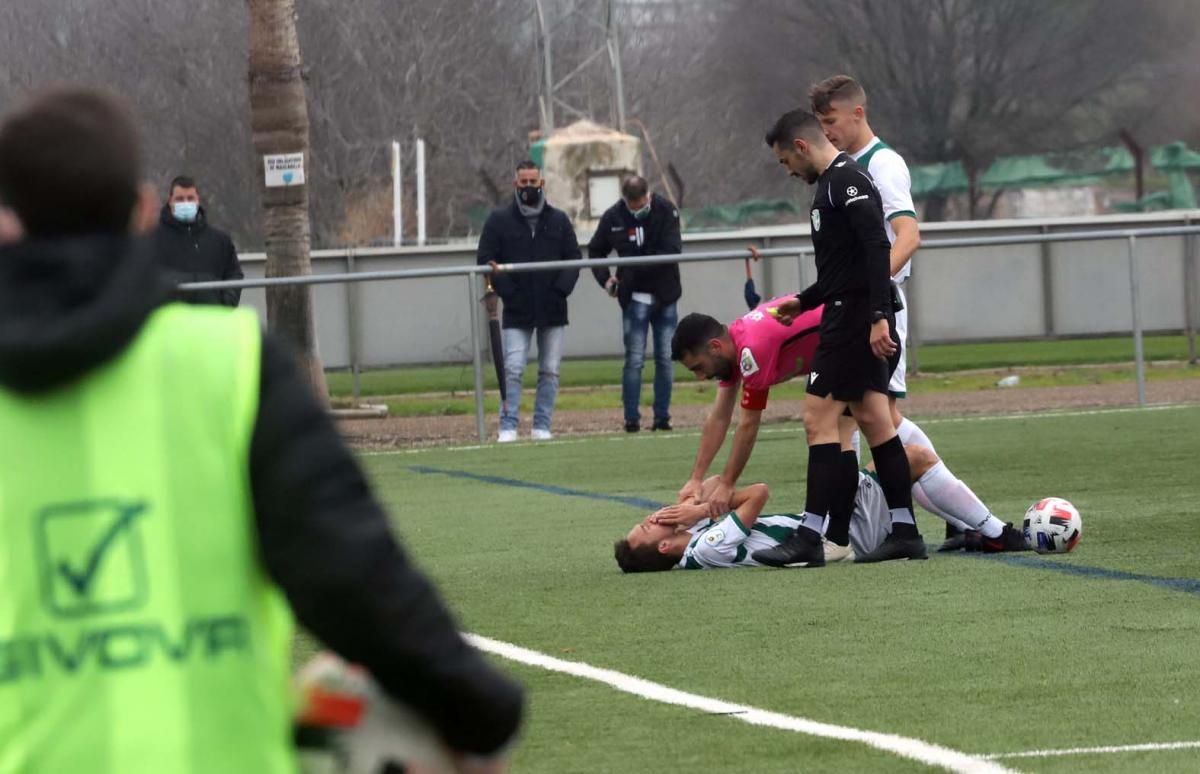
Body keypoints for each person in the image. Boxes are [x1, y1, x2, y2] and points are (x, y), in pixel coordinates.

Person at [0, 87, 521, 774]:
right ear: (145, 211)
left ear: (6, 223)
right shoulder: (232, 362)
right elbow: (352, 574)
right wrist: (479, 710)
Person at [669, 302, 1024, 561]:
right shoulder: (734, 348)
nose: (700, 376)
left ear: (715, 347)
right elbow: (719, 418)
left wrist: (728, 482)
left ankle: (991, 530)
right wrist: (696, 477)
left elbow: (748, 423)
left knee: (876, 434)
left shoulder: (752, 349)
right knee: (864, 437)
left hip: (864, 337)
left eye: (699, 367)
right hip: (844, 346)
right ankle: (977, 528)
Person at [751, 108, 924, 568]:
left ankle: (810, 534)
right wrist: (804, 301)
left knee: (817, 418)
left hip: (852, 320)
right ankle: (905, 531)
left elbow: (876, 247)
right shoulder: (831, 185)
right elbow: (843, 268)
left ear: (802, 147)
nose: (788, 170)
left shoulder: (847, 180)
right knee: (873, 419)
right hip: (846, 311)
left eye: (786, 160)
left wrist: (877, 316)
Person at [809, 75, 966, 551]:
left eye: (831, 120)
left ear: (858, 113)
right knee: (866, 417)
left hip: (878, 312)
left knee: (875, 418)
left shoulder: (884, 164)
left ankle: (970, 519)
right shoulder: (843, 168)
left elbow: (907, 236)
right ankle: (879, 524)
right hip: (862, 309)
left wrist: (873, 298)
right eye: (819, 123)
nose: (827, 130)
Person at [614, 446, 1026, 572]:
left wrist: (689, 505)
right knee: (911, 458)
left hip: (832, 524)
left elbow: (711, 488)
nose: (651, 519)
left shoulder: (695, 540)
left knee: (894, 460)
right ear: (666, 548)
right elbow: (757, 492)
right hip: (842, 535)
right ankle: (993, 533)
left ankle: (963, 528)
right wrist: (701, 512)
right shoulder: (706, 548)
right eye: (647, 528)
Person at [477, 160, 580, 442]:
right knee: (512, 368)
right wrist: (510, 293)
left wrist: (560, 291)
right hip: (517, 309)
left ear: (542, 184)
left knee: (550, 370)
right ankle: (508, 425)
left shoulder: (558, 220)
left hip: (553, 308)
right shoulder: (498, 221)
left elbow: (573, 259)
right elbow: (486, 260)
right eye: (523, 183)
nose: (528, 188)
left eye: (533, 183)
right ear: (515, 185)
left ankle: (542, 426)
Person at [587, 175, 682, 432]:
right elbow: (595, 250)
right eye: (634, 207)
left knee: (665, 357)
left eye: (642, 205)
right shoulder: (613, 217)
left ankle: (662, 416)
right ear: (625, 201)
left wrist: (634, 264)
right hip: (633, 298)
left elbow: (672, 250)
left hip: (665, 296)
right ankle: (631, 419)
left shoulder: (666, 210)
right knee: (634, 360)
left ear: (648, 196)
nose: (638, 210)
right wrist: (607, 281)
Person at [152, 174, 244, 306]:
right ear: (170, 201)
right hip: (170, 322)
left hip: (212, 320)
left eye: (190, 198)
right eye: (180, 199)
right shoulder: (152, 240)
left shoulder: (220, 241)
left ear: (197, 200)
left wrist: (226, 303)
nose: (185, 203)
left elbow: (234, 274)